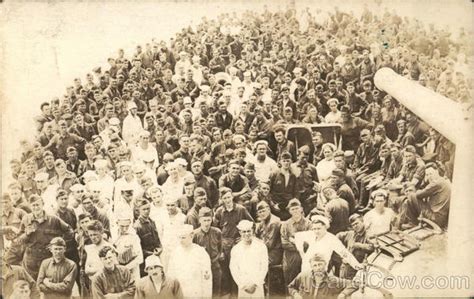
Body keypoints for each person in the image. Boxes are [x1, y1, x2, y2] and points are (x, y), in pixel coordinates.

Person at [17, 194, 74, 280]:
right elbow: (19, 240)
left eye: (38, 205)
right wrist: (27, 234)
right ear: (30, 206)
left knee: (48, 285)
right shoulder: (26, 219)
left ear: (43, 205)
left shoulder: (53, 219)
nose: (36, 208)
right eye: (33, 205)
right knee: (31, 285)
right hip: (31, 260)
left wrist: (58, 244)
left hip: (48, 258)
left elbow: (69, 231)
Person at [401, 162, 451, 229]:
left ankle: (412, 223)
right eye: (427, 175)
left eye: (431, 174)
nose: (429, 177)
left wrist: (416, 191)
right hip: (442, 218)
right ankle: (409, 222)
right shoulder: (444, 181)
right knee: (408, 201)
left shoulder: (436, 183)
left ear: (437, 171)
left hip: (435, 218)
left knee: (411, 196)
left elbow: (418, 195)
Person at [167, 224, 212, 298]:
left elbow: (207, 279)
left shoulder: (201, 253)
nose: (180, 241)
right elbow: (170, 276)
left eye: (183, 238)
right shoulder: (175, 253)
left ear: (191, 236)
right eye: (179, 238)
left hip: (196, 293)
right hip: (180, 293)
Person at [288, 253, 359, 299]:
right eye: (315, 265)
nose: (318, 268)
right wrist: (295, 294)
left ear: (325, 264)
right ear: (311, 267)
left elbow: (355, 283)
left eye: (320, 264)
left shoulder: (333, 280)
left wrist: (343, 294)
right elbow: (291, 287)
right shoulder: (303, 276)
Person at [230, 220, 269, 298]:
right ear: (240, 233)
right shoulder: (236, 249)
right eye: (244, 232)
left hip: (257, 285)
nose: (247, 234)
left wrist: (255, 283)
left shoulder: (261, 247)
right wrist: (242, 284)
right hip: (243, 286)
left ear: (252, 231)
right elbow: (233, 268)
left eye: (249, 231)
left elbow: (264, 267)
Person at [254, 201, 285, 297]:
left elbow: (269, 244)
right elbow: (255, 235)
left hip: (275, 252)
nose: (262, 213)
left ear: (269, 209)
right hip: (265, 250)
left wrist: (256, 243)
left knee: (259, 264)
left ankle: (265, 291)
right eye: (260, 212)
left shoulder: (274, 222)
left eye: (264, 211)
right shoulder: (262, 221)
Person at [280, 199, 312, 291]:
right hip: (290, 259)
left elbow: (309, 243)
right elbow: (284, 243)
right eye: (292, 209)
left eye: (297, 208)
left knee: (305, 284)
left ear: (301, 209)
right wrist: (300, 244)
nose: (295, 211)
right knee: (290, 284)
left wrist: (294, 241)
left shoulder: (308, 224)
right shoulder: (285, 225)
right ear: (289, 211)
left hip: (305, 258)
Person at [192, 207, 223, 298]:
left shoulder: (217, 232)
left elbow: (220, 248)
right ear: (199, 220)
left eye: (208, 220)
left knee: (216, 289)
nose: (206, 223)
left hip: (215, 265)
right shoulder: (195, 234)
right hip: (201, 268)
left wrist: (215, 259)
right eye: (204, 220)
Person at [337, 214, 375, 279]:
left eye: (356, 223)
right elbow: (339, 236)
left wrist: (359, 245)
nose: (355, 226)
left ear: (362, 221)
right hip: (344, 269)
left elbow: (373, 247)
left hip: (356, 272)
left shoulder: (369, 235)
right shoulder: (351, 234)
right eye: (353, 225)